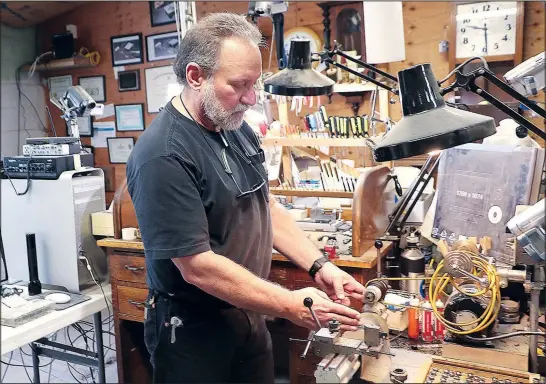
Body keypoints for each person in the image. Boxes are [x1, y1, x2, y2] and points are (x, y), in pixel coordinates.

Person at [126, 12, 368, 383]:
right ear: (196, 76)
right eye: (239, 84)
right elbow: (197, 266)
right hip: (192, 332)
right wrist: (288, 303)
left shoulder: (234, 125)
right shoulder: (163, 155)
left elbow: (265, 206)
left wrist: (321, 266)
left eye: (255, 84)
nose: (250, 98)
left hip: (248, 313)